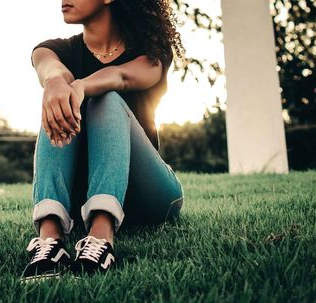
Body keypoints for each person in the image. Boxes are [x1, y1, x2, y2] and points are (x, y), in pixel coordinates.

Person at [20, 0, 186, 283]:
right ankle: (50, 241)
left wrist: (81, 86)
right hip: (81, 195)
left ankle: (101, 236)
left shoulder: (151, 51)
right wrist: (56, 82)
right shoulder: (53, 48)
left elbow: (119, 77)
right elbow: (48, 66)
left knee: (107, 98)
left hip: (150, 195)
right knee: (58, 103)